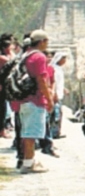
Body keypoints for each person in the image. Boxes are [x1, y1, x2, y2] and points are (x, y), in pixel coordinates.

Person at [15, 30, 55, 174]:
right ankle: (29, 163)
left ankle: (27, 160)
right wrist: (49, 99)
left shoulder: (26, 55)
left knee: (26, 132)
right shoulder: (39, 57)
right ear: (42, 41)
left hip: (24, 99)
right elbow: (41, 80)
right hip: (35, 99)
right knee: (31, 133)